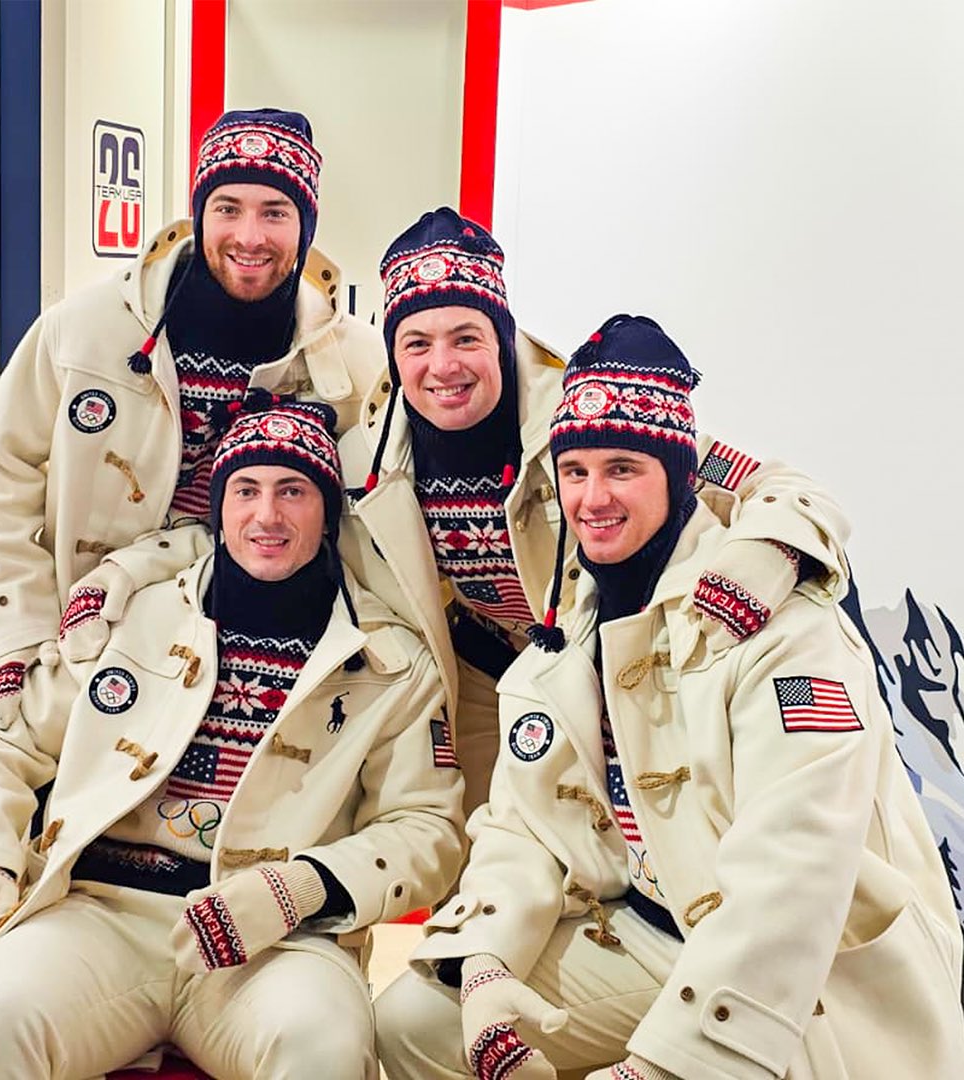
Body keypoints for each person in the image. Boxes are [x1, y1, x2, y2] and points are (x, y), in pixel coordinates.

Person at [375, 316, 964, 1080]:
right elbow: (525, 824)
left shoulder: (779, 621)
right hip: (653, 929)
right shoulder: (569, 633)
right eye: (575, 471)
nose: (592, 499)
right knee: (418, 1022)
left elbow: (798, 865)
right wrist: (485, 966)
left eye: (623, 468)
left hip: (808, 967)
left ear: (679, 475)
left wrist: (659, 1068)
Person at [0, 394, 465, 1080]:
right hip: (98, 917)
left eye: (292, 491)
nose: (266, 516)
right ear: (218, 510)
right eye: (246, 490)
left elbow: (427, 827)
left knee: (324, 1049)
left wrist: (299, 889)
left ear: (328, 514)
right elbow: (5, 741)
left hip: (276, 942)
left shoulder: (390, 661)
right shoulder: (131, 615)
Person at [338, 207, 851, 815]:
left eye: (466, 338)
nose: (443, 366)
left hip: (609, 659)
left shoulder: (593, 413)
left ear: (502, 337)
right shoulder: (367, 456)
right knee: (486, 852)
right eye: (417, 344)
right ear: (393, 356)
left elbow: (785, 488)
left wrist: (764, 563)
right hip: (482, 673)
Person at [0, 107, 384, 733]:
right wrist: (20, 639)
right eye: (228, 207)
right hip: (81, 651)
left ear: (306, 224)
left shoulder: (350, 358)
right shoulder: (86, 329)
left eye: (275, 212)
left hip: (258, 673)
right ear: (198, 212)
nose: (250, 235)